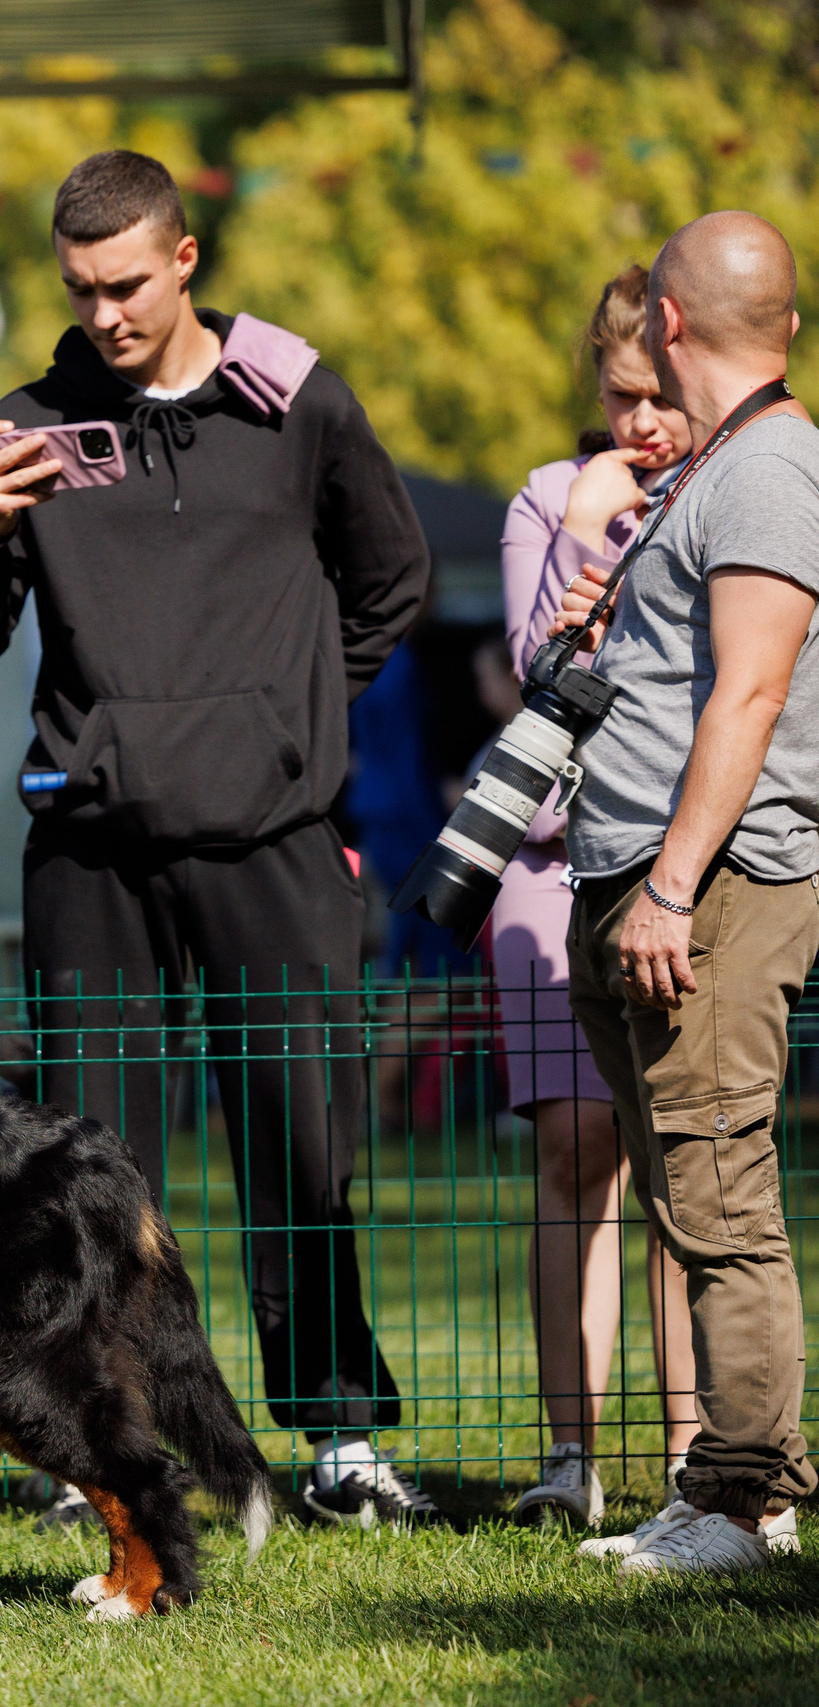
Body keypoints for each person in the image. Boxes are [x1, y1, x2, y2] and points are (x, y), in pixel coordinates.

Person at [0, 151, 441, 1528]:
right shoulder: (25, 427)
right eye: (81, 289)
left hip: (272, 831)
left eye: (129, 284)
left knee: (304, 1147)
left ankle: (338, 1438)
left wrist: (294, 729)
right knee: (92, 1171)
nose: (105, 313)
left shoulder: (296, 400)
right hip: (92, 847)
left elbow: (392, 578)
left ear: (186, 258)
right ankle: (111, 1458)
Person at [550, 211, 819, 1577]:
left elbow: (754, 692)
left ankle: (748, 1506)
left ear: (667, 318)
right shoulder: (710, 466)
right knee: (680, 1186)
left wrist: (667, 882)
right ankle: (725, 1477)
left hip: (711, 886)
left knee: (720, 1194)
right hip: (640, 877)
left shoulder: (772, 468)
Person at [495, 265, 700, 1531]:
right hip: (547, 854)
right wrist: (583, 532)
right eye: (622, 397)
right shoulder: (547, 499)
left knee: (684, 1156)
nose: (642, 424)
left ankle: (696, 1455)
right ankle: (568, 1458)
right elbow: (533, 675)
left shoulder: (730, 492)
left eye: (662, 398)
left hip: (676, 853)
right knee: (575, 1150)